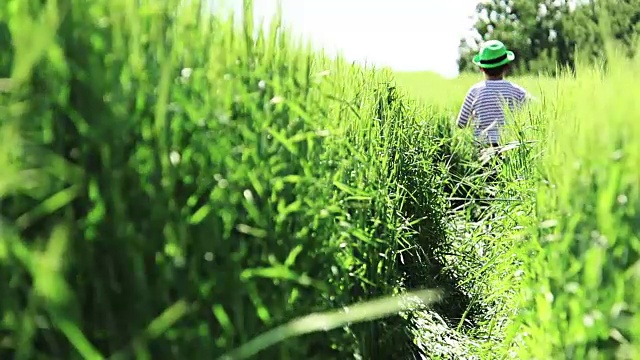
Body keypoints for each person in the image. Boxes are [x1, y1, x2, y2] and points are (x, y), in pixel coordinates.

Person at [456, 40, 532, 151]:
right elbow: (538, 109)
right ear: (506, 66)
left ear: (481, 68)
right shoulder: (517, 91)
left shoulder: (474, 91)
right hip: (509, 148)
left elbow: (461, 124)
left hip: (481, 149)